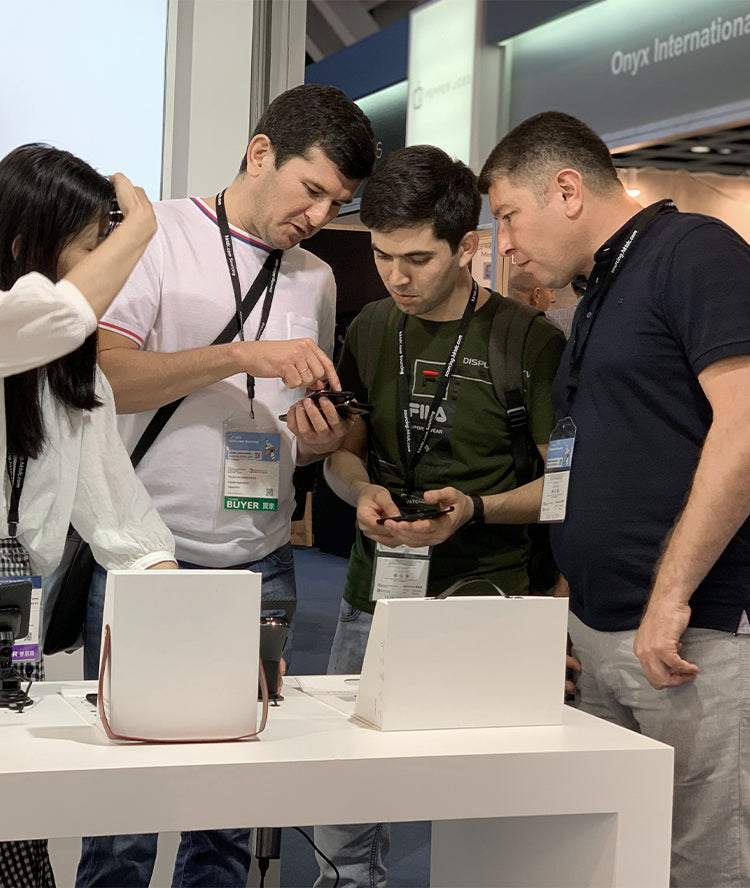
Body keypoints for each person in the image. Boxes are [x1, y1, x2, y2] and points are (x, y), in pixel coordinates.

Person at [76, 84, 376, 888]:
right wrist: (241, 355)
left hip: (262, 562)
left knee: (230, 808)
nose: (319, 216)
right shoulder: (158, 238)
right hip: (145, 558)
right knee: (125, 809)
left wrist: (317, 442)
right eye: (311, 190)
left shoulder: (317, 278)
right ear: (260, 154)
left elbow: (291, 429)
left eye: (337, 203)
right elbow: (107, 380)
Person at [478, 110, 750, 888]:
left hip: (687, 636)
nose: (505, 244)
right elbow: (591, 465)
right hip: (599, 634)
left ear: (567, 190)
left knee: (702, 864)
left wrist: (670, 596)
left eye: (509, 216)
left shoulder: (694, 251)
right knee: (610, 861)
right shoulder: (599, 290)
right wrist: (568, 602)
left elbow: (744, 423)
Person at [313, 144, 565, 888]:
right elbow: (342, 457)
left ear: (467, 246)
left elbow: (565, 488)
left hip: (487, 600)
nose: (397, 276)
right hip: (373, 597)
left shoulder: (529, 341)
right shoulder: (369, 328)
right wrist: (359, 491)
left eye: (417, 259)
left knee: (488, 815)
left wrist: (477, 509)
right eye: (383, 255)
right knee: (347, 804)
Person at [0, 143, 177, 887]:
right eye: (92, 250)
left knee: (18, 841)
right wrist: (140, 228)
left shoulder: (75, 385)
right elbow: (58, 313)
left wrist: (192, 621)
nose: (111, 272)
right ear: (24, 249)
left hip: (14, 642)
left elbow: (126, 528)